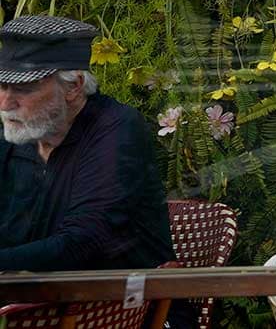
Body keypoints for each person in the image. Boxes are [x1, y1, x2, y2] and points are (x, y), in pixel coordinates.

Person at [0, 15, 172, 271]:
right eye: (1, 86)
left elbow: (83, 241)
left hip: (115, 305)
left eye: (24, 88)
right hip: (29, 301)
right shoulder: (17, 132)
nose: (5, 104)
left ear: (73, 87)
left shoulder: (117, 129)